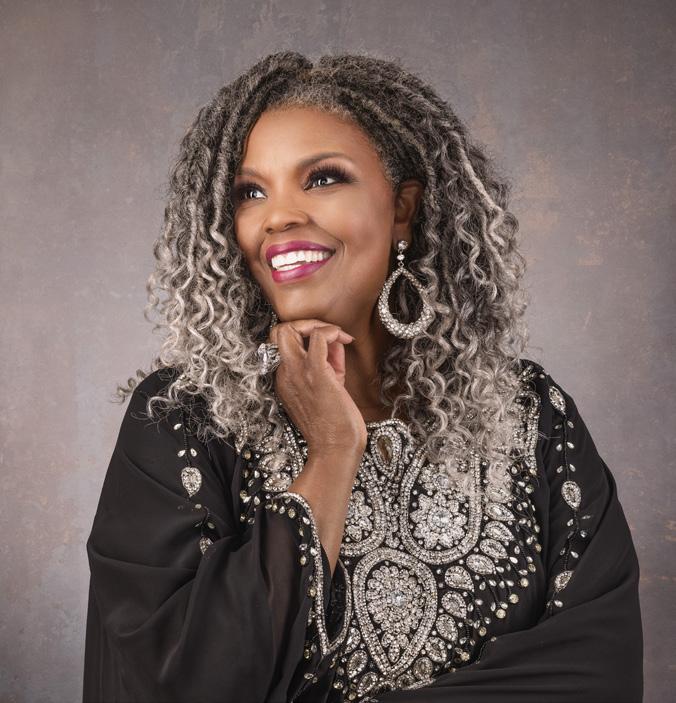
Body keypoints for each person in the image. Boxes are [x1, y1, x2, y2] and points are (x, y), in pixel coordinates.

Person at [82, 51, 643, 703]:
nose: (278, 216)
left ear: (402, 208)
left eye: (322, 178)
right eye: (250, 192)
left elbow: (597, 672)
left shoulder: (528, 414)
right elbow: (188, 680)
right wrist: (331, 452)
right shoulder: (183, 419)